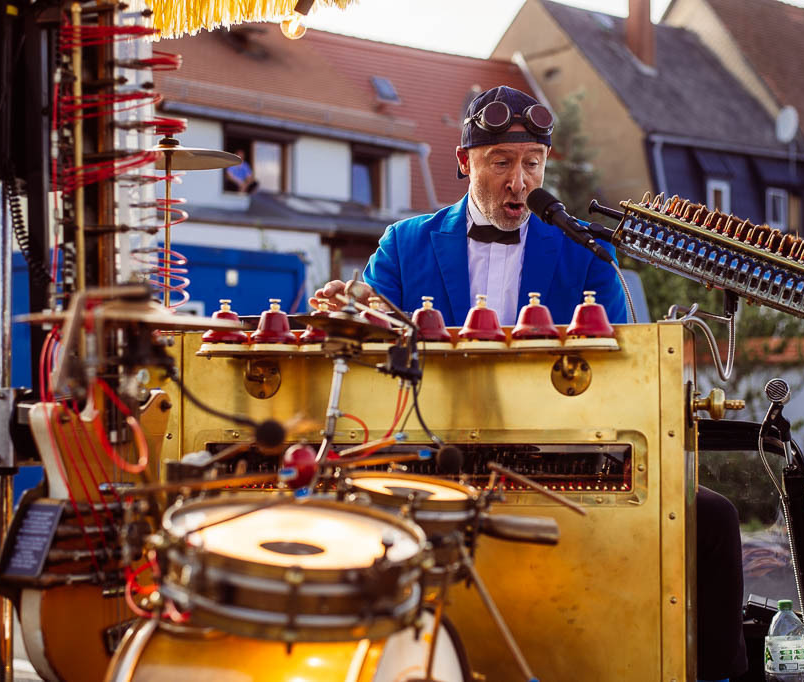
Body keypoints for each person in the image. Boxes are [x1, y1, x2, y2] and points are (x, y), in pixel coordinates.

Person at [312, 85, 747, 681]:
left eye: (532, 164)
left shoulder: (587, 252)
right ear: (465, 162)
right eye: (502, 163)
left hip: (563, 460)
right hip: (429, 460)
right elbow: (364, 338)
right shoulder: (403, 243)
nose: (520, 182)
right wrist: (345, 313)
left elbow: (624, 376)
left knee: (713, 520)